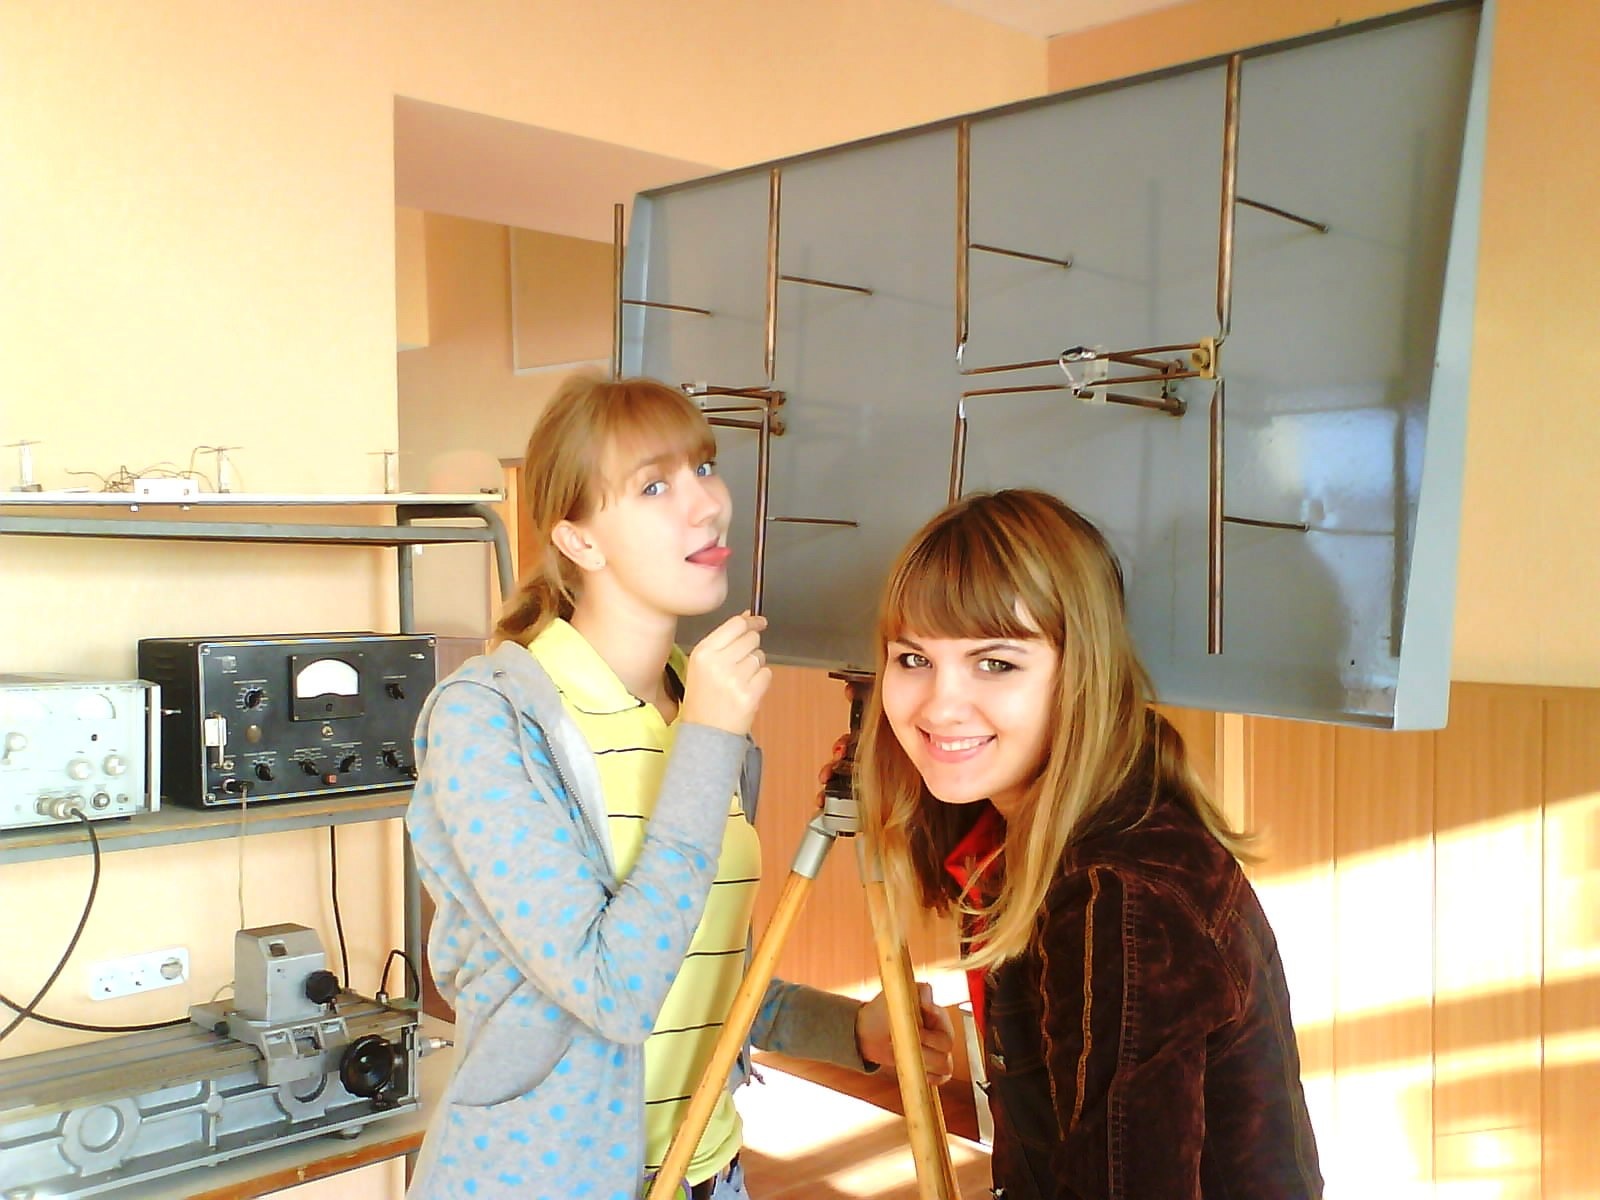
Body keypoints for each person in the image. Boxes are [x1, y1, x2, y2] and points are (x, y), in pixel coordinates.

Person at [405, 374, 953, 1200]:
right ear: (579, 541)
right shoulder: (489, 721)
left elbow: (697, 973)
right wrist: (708, 741)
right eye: (654, 486)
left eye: (703, 467)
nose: (708, 505)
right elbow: (615, 993)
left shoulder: (689, 703)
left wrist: (851, 1031)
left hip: (710, 1174)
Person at [855, 488, 1323, 1200]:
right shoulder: (1024, 828)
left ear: (1080, 672)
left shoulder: (1119, 897)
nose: (939, 707)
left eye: (996, 663)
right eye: (913, 659)